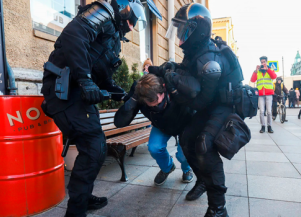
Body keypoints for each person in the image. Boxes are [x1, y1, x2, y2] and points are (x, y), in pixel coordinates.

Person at [40, 1, 152, 216]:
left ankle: (83, 196)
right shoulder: (102, 13)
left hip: (75, 95)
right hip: (63, 91)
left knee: (94, 148)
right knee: (94, 147)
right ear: (123, 11)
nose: (132, 27)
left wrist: (123, 95)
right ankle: (76, 210)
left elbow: (103, 77)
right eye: (132, 22)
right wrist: (85, 80)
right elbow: (74, 35)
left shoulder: (112, 39)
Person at [158, 3, 246, 216]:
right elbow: (187, 71)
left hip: (224, 106)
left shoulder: (210, 62)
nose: (179, 34)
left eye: (183, 29)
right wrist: (169, 68)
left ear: (196, 30)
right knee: (187, 140)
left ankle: (218, 208)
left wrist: (175, 87)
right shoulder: (195, 51)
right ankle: (203, 181)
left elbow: (199, 103)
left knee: (204, 145)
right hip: (210, 105)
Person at [114, 74, 197, 185]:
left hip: (184, 124)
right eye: (151, 105)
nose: (155, 106)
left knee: (184, 154)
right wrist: (132, 100)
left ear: (163, 88)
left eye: (157, 101)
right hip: (161, 125)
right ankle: (167, 167)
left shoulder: (172, 85)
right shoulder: (140, 93)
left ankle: (186, 169)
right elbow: (119, 122)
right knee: (154, 148)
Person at [250, 56, 277, 133]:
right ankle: (263, 126)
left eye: (264, 62)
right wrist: (255, 71)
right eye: (261, 62)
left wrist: (267, 69)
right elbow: (252, 80)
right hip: (260, 93)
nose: (263, 63)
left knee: (269, 111)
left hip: (268, 93)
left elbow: (274, 76)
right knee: (261, 111)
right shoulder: (258, 71)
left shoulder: (270, 69)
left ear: (266, 62)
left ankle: (269, 126)